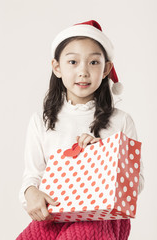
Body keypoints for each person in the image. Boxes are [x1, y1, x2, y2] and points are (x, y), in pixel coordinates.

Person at [16, 20, 144, 240]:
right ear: (57, 67)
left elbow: (136, 183)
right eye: (73, 61)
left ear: (106, 69)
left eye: (94, 62)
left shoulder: (121, 121)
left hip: (102, 220)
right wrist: (31, 193)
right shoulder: (42, 121)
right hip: (55, 215)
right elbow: (33, 176)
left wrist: (104, 155)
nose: (83, 71)